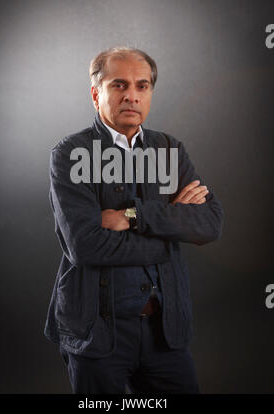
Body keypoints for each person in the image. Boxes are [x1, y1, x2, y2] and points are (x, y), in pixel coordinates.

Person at [44, 46, 224, 394]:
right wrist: (169, 231)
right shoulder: (69, 154)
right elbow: (85, 246)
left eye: (142, 86)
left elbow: (211, 223)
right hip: (95, 332)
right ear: (96, 94)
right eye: (119, 85)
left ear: (150, 94)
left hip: (164, 332)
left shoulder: (170, 150)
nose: (132, 95)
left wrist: (133, 215)